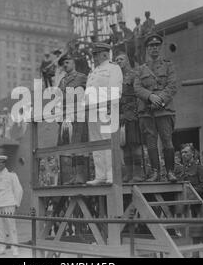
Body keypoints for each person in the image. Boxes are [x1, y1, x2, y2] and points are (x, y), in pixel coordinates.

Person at [134, 34, 178, 183]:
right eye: (151, 46)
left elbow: (172, 86)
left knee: (167, 141)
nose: (154, 48)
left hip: (164, 111)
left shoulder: (168, 65)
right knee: (151, 143)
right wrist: (150, 96)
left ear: (160, 47)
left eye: (157, 46)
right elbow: (137, 88)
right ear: (147, 49)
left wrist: (159, 99)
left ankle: (170, 172)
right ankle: (155, 173)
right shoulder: (140, 69)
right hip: (147, 112)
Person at [85, 42, 123, 186]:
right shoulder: (93, 71)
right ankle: (100, 175)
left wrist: (110, 104)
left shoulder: (113, 68)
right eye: (93, 54)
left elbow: (115, 87)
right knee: (96, 141)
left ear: (105, 54)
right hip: (92, 109)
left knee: (108, 140)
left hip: (105, 107)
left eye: (96, 54)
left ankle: (111, 174)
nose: (94, 57)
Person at [56, 52, 89, 185]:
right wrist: (59, 117)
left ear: (74, 63)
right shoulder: (62, 81)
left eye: (67, 62)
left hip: (77, 116)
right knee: (65, 147)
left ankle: (80, 176)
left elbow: (89, 95)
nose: (65, 65)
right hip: (65, 117)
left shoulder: (81, 77)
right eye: (63, 63)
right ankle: (69, 177)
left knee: (78, 145)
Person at [115, 52, 145, 183]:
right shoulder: (116, 79)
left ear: (127, 61)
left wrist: (137, 112)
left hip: (132, 115)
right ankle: (129, 173)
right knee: (124, 145)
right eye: (116, 60)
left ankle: (138, 174)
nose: (118, 62)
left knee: (135, 144)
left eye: (121, 59)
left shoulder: (134, 74)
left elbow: (138, 94)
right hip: (120, 115)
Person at [0, 156, 23, 256]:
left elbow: (18, 189)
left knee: (11, 227)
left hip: (8, 203)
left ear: (4, 164)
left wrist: (17, 203)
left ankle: (14, 248)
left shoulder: (11, 175)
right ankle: (1, 248)